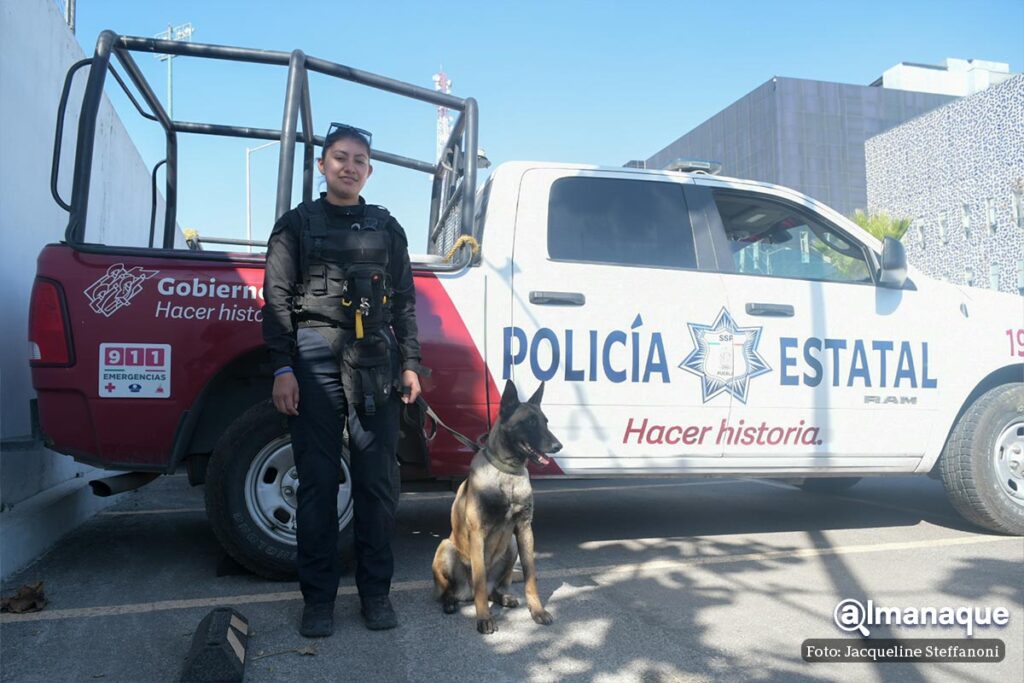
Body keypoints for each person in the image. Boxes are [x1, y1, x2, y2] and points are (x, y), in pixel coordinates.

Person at [262, 123, 426, 638]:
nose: (349, 166)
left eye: (358, 159)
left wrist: (411, 364)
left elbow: (403, 303)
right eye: (339, 157)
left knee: (377, 485)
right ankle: (318, 602)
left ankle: (376, 595)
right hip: (313, 355)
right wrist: (283, 368)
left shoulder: (387, 228)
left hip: (375, 359)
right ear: (322, 165)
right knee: (315, 484)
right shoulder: (295, 226)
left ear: (369, 170)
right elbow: (276, 302)